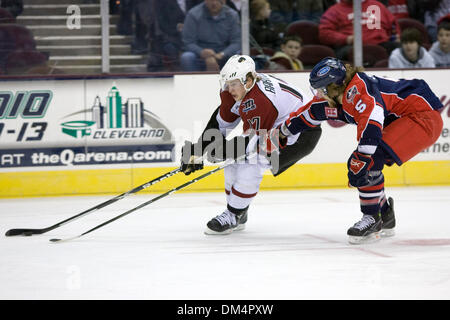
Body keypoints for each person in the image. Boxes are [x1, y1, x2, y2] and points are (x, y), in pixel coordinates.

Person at [277, 57, 443, 244]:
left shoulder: (360, 92)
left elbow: (372, 123)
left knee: (365, 161)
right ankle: (385, 213)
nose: (318, 94)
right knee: (364, 162)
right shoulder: (336, 96)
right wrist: (281, 133)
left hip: (422, 118)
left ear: (332, 87)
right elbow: (308, 114)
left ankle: (372, 217)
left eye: (321, 90)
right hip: (407, 117)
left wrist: (362, 157)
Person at [180, 55, 322, 234]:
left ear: (248, 80)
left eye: (234, 84)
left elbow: (255, 143)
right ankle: (239, 211)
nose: (230, 89)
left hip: (301, 132)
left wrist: (219, 152)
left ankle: (233, 214)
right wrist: (198, 150)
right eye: (227, 83)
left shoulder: (262, 100)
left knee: (251, 162)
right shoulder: (234, 90)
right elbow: (221, 124)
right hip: (274, 128)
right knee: (232, 164)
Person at [319, 0, 399, 60]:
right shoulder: (334, 10)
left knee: (398, 49)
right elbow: (324, 33)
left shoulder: (377, 5)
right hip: (350, 46)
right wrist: (346, 39)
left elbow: (393, 25)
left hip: (380, 44)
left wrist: (396, 36)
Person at [180, 0, 241, 71]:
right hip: (199, 54)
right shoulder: (193, 14)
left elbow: (237, 42)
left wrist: (222, 54)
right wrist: (201, 52)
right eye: (211, 0)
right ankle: (191, 81)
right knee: (186, 57)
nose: (214, 3)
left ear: (224, 1)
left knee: (237, 58)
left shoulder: (232, 15)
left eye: (217, 0)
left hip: (224, 54)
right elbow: (188, 42)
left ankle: (232, 81)